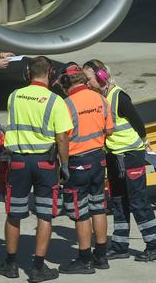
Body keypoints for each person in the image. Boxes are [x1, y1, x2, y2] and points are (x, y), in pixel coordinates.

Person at [82, 59, 156, 262]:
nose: (86, 84)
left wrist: (144, 145)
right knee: (118, 201)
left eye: (88, 79)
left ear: (101, 76)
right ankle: (120, 245)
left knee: (138, 201)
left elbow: (139, 125)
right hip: (114, 156)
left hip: (130, 156)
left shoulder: (119, 97)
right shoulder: (99, 97)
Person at [0, 56, 72, 282]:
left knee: (14, 213)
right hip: (45, 164)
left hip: (19, 162)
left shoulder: (14, 97)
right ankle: (38, 268)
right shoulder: (55, 101)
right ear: (51, 74)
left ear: (28, 73)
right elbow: (61, 138)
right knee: (45, 215)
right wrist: (65, 167)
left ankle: (11, 265)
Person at [54, 62, 113, 274]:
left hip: (78, 162)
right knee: (98, 207)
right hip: (99, 160)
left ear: (66, 83)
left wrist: (63, 166)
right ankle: (101, 255)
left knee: (80, 212)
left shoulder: (66, 104)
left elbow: (61, 137)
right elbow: (110, 130)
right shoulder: (100, 98)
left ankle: (85, 259)